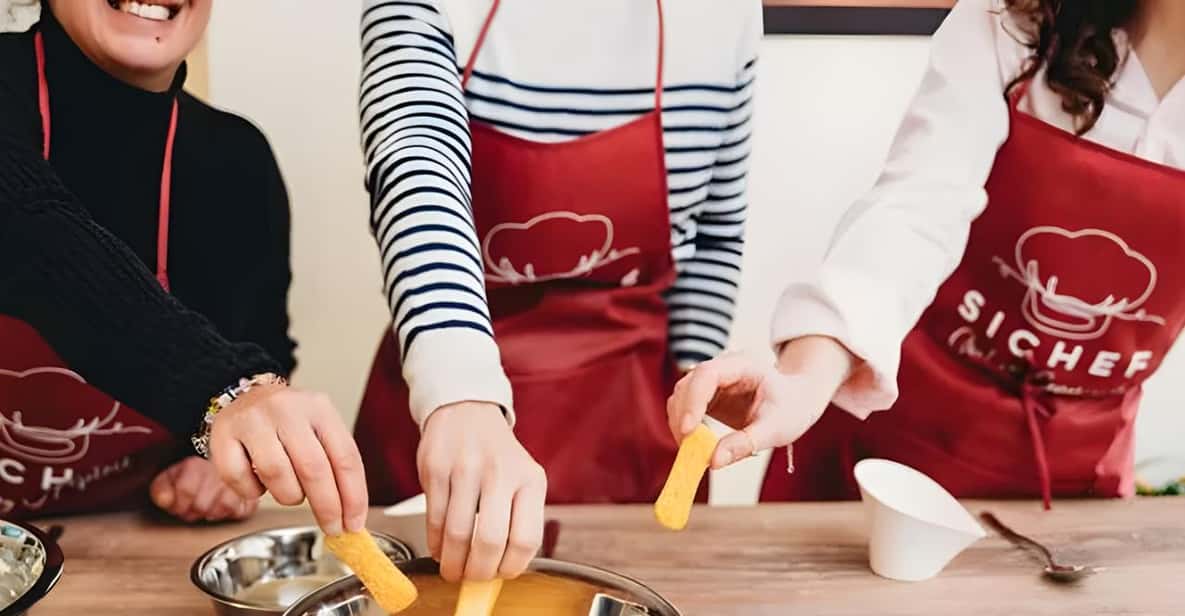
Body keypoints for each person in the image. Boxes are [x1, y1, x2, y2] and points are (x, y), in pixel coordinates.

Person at [668, 0, 1185, 510]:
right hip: (891, 458)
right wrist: (806, 377)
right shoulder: (1013, 22)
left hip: (1077, 486)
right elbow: (915, 210)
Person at [353, 0, 759, 580]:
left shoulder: (726, 15)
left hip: (633, 428)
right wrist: (461, 396)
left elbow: (716, 232)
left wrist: (696, 384)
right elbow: (416, 165)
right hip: (448, 412)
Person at [0, 0, 366, 534]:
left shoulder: (237, 161)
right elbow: (32, 233)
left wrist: (221, 463)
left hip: (131, 548)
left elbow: (263, 348)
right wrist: (222, 393)